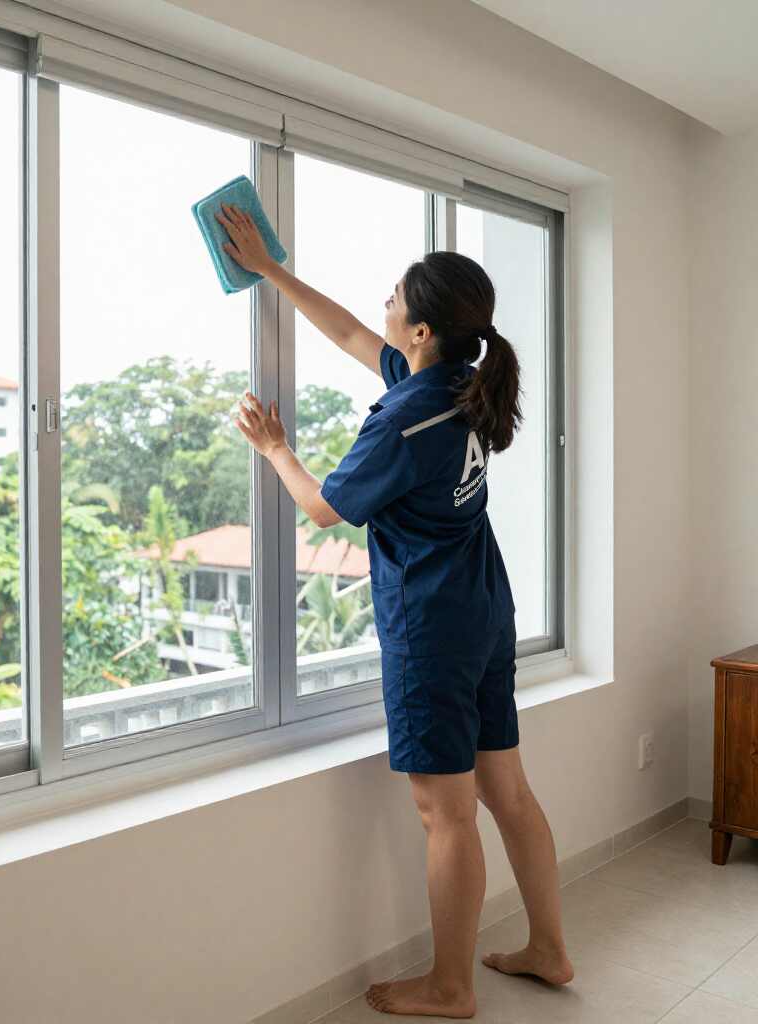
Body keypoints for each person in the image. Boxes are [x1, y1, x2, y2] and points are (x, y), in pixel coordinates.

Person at [215, 202, 573, 1019]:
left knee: (442, 812)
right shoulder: (458, 384)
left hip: (433, 626)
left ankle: (450, 988)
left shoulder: (406, 418)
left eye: (394, 299)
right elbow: (348, 333)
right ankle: (549, 948)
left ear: (422, 330)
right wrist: (269, 269)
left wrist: (274, 446)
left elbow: (324, 510)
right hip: (484, 608)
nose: (382, 306)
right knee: (506, 792)